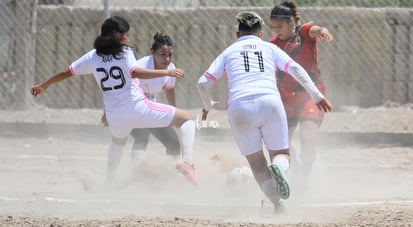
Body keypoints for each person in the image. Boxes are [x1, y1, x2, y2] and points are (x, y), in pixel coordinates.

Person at [31, 16, 197, 187]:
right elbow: (135, 73)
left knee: (118, 143)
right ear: (116, 36)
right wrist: (168, 73)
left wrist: (44, 86)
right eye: (125, 34)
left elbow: (68, 72)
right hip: (136, 107)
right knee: (188, 119)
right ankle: (188, 163)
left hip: (114, 115)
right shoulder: (125, 52)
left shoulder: (93, 56)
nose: (128, 37)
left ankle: (108, 183)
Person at [197, 11, 332, 211]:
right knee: (281, 154)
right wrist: (316, 95)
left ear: (237, 34)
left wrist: (207, 105)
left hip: (239, 107)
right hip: (269, 102)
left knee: (257, 163)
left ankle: (278, 205)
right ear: (261, 34)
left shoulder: (229, 52)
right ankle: (278, 167)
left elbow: (202, 82)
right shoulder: (269, 47)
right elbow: (295, 69)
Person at [269, 1, 334, 190]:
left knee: (307, 136)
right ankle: (292, 168)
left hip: (310, 96)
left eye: (280, 26)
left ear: (291, 21)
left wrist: (322, 31)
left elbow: (315, 29)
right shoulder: (273, 44)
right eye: (273, 27)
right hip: (286, 97)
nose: (277, 30)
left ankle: (304, 180)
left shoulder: (304, 33)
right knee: (281, 144)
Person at [101, 33, 181, 166]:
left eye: (169, 55)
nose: (167, 59)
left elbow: (169, 89)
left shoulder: (171, 69)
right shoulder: (139, 67)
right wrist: (107, 112)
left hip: (149, 107)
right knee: (142, 136)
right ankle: (137, 172)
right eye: (162, 54)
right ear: (153, 52)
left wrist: (174, 113)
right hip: (129, 106)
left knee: (173, 143)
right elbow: (117, 88)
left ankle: (168, 173)